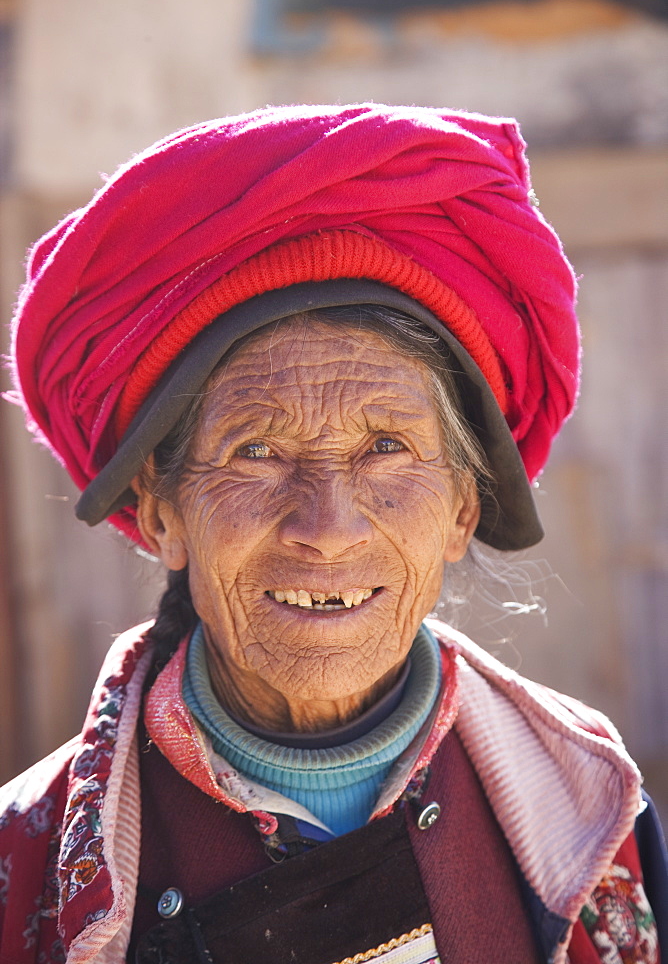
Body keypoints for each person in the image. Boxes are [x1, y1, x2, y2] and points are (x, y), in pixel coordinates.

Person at [0, 104, 665, 964]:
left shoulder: (589, 809)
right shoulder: (27, 861)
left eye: (387, 448)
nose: (327, 527)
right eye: (258, 450)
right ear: (163, 513)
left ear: (463, 510)